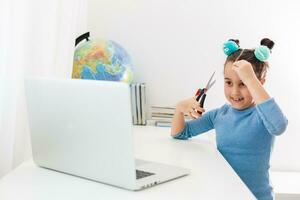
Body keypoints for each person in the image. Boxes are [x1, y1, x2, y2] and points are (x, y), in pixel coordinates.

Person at [171, 38, 288, 200]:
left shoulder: (262, 115)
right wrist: (179, 109)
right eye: (228, 82)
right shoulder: (220, 115)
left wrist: (251, 79)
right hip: (225, 194)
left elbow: (279, 126)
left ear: (259, 83)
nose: (234, 92)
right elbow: (180, 133)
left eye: (243, 84)